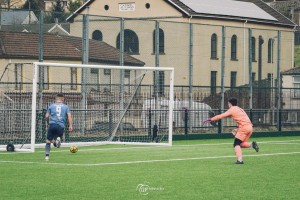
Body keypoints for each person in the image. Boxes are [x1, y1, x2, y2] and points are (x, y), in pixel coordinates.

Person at [208, 98, 259, 164]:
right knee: (240, 144)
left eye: (228, 103)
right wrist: (237, 129)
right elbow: (244, 120)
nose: (228, 105)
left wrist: (211, 119)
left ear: (230, 104)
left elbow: (221, 116)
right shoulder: (240, 109)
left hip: (244, 128)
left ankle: (240, 160)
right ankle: (252, 144)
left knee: (236, 144)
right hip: (250, 127)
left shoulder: (232, 109)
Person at [45, 93, 73, 161]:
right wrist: (70, 125)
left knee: (48, 141)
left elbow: (46, 116)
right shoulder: (65, 107)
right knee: (56, 142)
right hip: (61, 126)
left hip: (52, 125)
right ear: (63, 99)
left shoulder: (51, 106)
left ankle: (47, 156)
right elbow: (69, 116)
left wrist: (48, 123)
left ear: (55, 99)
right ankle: (56, 141)